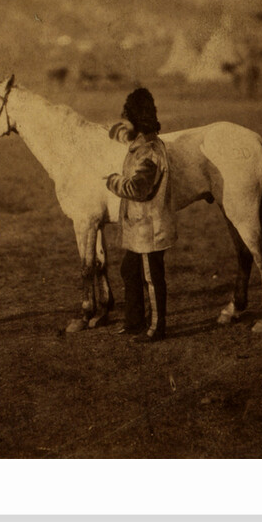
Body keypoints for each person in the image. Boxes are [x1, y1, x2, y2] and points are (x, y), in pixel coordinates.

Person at [105, 87, 176, 343]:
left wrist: (113, 181)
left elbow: (138, 189)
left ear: (136, 119)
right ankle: (134, 322)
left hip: (149, 228)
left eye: (127, 118)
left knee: (152, 278)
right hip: (139, 227)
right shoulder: (143, 145)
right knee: (129, 270)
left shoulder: (149, 151)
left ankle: (157, 328)